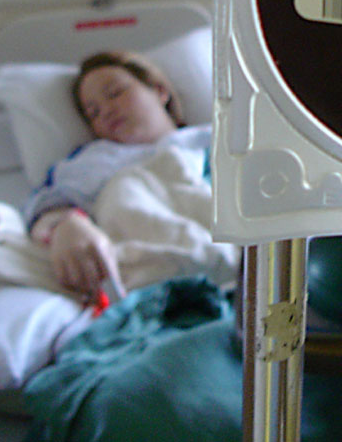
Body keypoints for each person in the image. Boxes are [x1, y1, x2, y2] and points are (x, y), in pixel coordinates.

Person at [24, 50, 231, 297]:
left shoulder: (217, 137)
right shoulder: (90, 162)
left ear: (159, 90)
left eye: (115, 93)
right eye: (94, 113)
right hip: (156, 282)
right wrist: (66, 224)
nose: (107, 111)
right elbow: (46, 210)